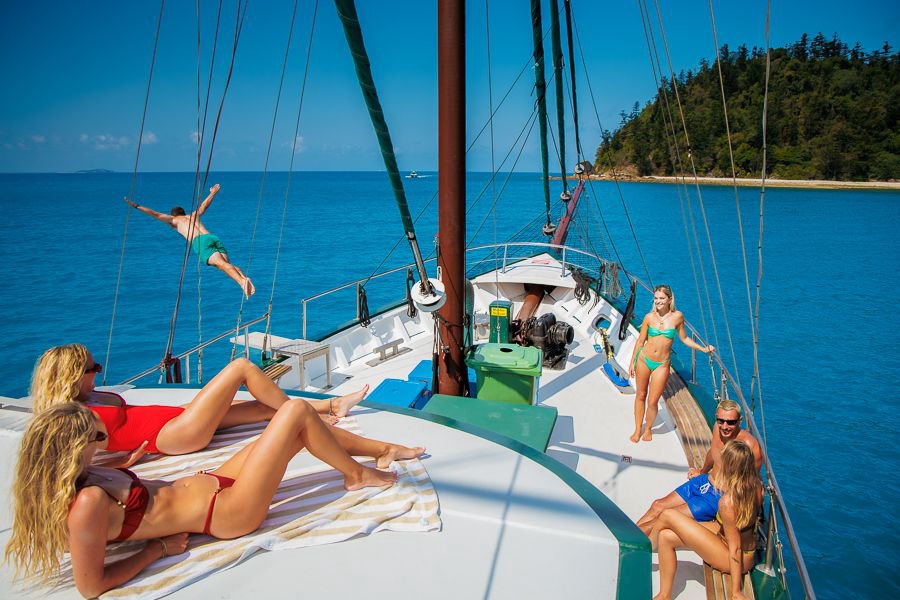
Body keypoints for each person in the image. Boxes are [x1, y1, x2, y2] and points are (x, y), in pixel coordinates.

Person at [4, 401, 424, 598]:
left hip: (215, 483)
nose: (103, 440)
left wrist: (128, 463)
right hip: (225, 513)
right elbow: (91, 587)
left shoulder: (88, 474)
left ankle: (382, 449)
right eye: (96, 438)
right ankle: (357, 475)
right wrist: (157, 550)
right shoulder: (86, 505)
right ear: (69, 449)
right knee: (294, 413)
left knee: (292, 427)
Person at [30, 343, 371, 467]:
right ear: (71, 376)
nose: (100, 372)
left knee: (265, 407)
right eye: (93, 369)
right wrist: (117, 467)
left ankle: (333, 406)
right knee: (242, 368)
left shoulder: (88, 397)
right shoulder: (72, 417)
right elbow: (65, 464)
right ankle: (317, 424)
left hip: (177, 420)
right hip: (176, 434)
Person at [649, 440, 763, 600]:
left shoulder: (727, 503)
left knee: (667, 515)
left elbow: (735, 548)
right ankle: (664, 595)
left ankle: (644, 551)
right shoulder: (757, 487)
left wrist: (736, 591)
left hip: (735, 556)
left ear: (729, 467)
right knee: (666, 536)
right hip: (731, 540)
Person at [636, 400, 761, 534]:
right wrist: (702, 471)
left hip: (717, 496)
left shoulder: (750, 446)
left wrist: (746, 522)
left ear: (739, 421)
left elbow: (753, 484)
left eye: (730, 422)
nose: (725, 426)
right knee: (657, 505)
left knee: (665, 516)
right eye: (721, 420)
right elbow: (713, 452)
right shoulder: (717, 429)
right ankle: (628, 534)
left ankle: (630, 541)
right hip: (704, 481)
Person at [125, 183, 255, 298]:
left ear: (174, 215)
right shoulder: (193, 215)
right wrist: (213, 193)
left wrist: (137, 206)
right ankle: (244, 278)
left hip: (200, 241)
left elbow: (155, 214)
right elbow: (204, 206)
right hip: (213, 238)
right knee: (225, 265)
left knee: (221, 265)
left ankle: (242, 282)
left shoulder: (174, 220)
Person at [628, 285, 714, 442]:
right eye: (656, 298)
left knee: (653, 401)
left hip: (661, 364)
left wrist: (702, 348)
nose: (658, 301)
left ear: (669, 299)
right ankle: (637, 428)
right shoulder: (649, 317)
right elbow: (640, 341)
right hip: (643, 360)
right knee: (640, 395)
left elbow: (685, 338)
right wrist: (632, 362)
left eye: (661, 298)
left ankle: (648, 429)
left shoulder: (677, 317)